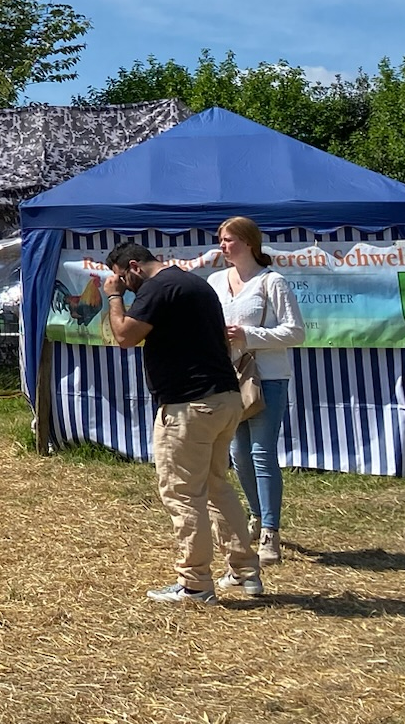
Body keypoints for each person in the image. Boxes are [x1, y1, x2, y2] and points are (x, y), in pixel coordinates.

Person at [101, 241, 261, 603]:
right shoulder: (194, 284)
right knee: (217, 487)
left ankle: (195, 583)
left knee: (184, 494)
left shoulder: (158, 288)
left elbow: (125, 335)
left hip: (188, 406)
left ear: (133, 267)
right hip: (224, 397)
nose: (122, 284)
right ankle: (246, 572)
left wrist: (113, 298)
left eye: (121, 277)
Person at [207, 216, 304, 566]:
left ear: (249, 242)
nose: (222, 245)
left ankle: (270, 533)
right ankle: (256, 515)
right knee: (239, 454)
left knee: (262, 452)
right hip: (228, 375)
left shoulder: (272, 281)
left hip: (268, 376)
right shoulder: (216, 281)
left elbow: (296, 332)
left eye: (229, 239)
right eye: (220, 239)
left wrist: (250, 337)